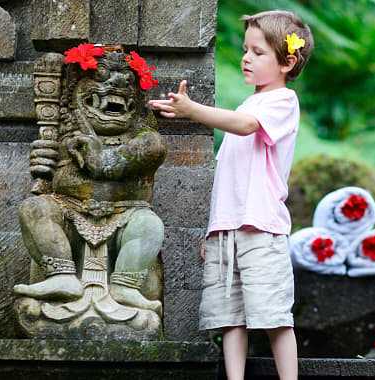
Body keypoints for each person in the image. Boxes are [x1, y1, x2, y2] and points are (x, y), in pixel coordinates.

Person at [147, 10, 313, 380]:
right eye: (246, 50)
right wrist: (214, 229)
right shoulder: (247, 104)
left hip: (261, 227)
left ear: (288, 62)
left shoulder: (282, 101)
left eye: (258, 52)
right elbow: (229, 183)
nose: (246, 58)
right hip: (229, 228)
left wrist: (192, 110)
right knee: (229, 316)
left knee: (273, 315)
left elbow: (245, 127)